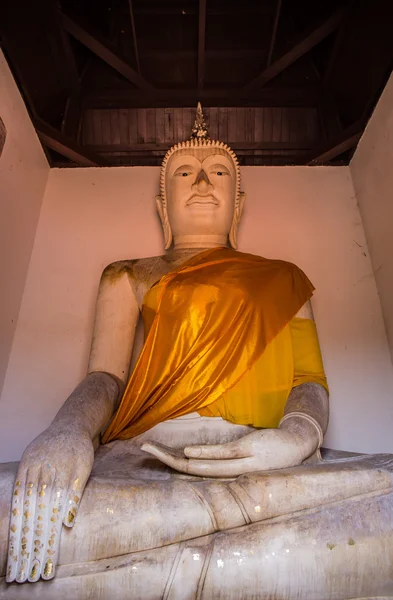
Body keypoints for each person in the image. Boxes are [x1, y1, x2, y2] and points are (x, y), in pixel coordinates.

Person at [2, 106, 392, 599]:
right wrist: (66, 433)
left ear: (238, 204)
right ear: (165, 207)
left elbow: (308, 381)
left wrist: (296, 438)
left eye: (219, 173)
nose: (204, 182)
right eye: (186, 173)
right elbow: (105, 376)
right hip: (144, 459)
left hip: (261, 457)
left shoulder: (282, 276)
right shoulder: (128, 273)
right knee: (18, 507)